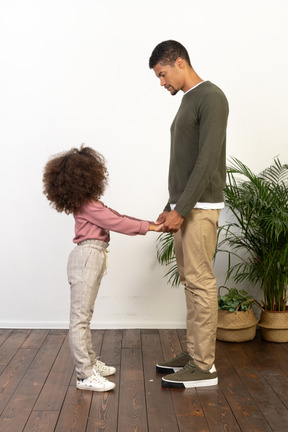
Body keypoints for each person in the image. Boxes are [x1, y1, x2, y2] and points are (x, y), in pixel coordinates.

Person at [43, 145, 163, 392]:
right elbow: (116, 222)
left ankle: (90, 363)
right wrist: (152, 227)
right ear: (85, 176)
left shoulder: (90, 204)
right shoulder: (88, 206)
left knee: (84, 317)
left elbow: (116, 215)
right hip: (87, 256)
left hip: (93, 255)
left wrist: (150, 224)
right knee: (80, 319)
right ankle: (85, 375)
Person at [149, 40, 229, 388]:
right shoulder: (188, 100)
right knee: (190, 283)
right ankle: (195, 353)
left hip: (199, 207)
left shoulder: (211, 97)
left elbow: (207, 158)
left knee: (201, 284)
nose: (162, 82)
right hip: (184, 206)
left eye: (163, 74)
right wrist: (171, 205)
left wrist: (182, 208)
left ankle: (204, 367)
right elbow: (183, 160)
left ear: (179, 62)